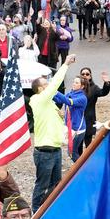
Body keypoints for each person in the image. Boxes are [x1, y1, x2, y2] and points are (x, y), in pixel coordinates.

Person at [29, 54, 76, 210]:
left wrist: (66, 132)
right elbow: (55, 84)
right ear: (40, 89)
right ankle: (36, 211)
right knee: (42, 184)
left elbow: (54, 124)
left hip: (55, 149)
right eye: (45, 84)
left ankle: (50, 209)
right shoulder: (37, 100)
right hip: (44, 152)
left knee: (56, 184)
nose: (48, 85)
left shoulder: (50, 103)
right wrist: (65, 64)